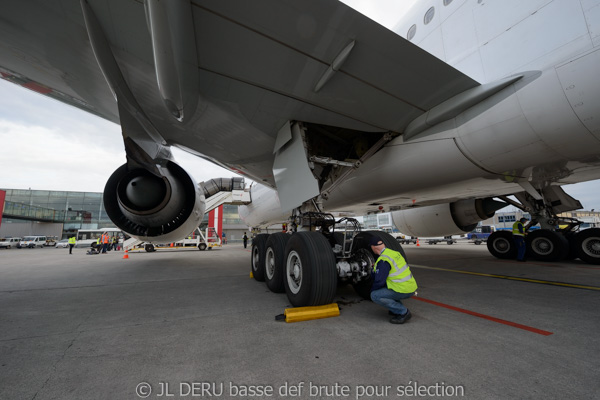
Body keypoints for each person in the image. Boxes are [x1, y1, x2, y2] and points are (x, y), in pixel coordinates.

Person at [369, 236, 418, 324]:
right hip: (410, 286)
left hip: (403, 289)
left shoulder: (383, 260)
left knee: (375, 295)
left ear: (373, 247)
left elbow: (379, 281)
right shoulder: (394, 253)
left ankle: (403, 312)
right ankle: (395, 309)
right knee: (387, 289)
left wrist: (372, 289)